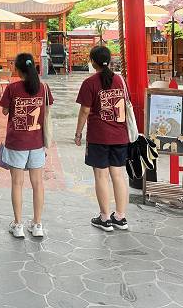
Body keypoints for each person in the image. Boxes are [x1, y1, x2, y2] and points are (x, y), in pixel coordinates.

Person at [74, 45, 130, 232]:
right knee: (118, 175)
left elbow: (84, 111)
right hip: (120, 135)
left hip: (99, 135)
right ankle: (120, 217)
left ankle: (105, 217)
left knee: (101, 176)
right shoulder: (120, 80)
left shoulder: (90, 83)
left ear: (92, 61)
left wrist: (78, 132)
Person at [0, 52, 53, 238]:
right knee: (38, 184)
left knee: (17, 183)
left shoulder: (12, 88)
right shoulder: (43, 88)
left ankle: (18, 224)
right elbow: (46, 110)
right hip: (37, 142)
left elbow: (5, 111)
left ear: (18, 69)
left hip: (17, 142)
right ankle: (37, 225)